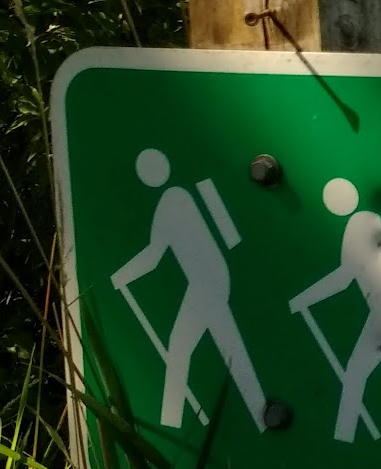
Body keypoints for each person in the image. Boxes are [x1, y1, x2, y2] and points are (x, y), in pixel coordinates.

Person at [110, 147, 266, 431]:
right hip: (212, 278)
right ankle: (260, 414)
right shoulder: (181, 195)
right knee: (223, 345)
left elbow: (154, 254)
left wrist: (121, 276)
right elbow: (157, 255)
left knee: (184, 346)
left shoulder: (172, 201)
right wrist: (122, 276)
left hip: (207, 282)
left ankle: (171, 421)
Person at [289, 177, 381, 448]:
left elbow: (343, 278)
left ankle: (341, 442)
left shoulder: (357, 227)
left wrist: (301, 299)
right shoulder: (367, 219)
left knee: (364, 372)